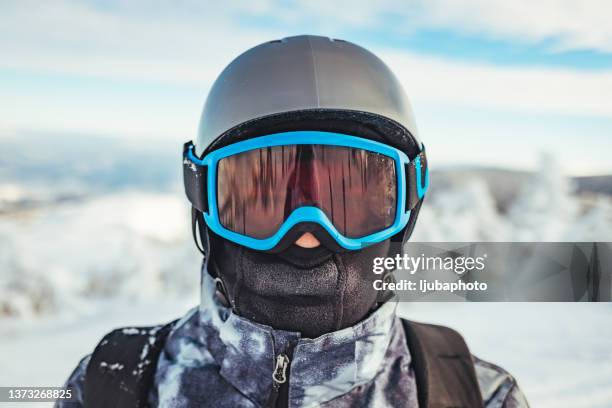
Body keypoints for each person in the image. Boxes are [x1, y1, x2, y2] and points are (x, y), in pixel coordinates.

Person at [58, 35, 528, 408]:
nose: (307, 233)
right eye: (263, 198)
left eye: (351, 198)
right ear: (203, 198)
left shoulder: (472, 395)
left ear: (407, 205)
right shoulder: (115, 386)